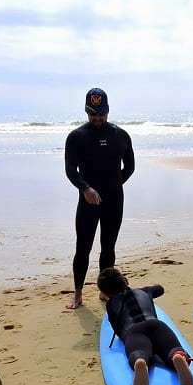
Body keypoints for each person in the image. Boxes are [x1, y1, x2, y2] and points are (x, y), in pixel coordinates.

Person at [65, 87, 135, 309]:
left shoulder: (120, 135)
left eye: (101, 113)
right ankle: (77, 294)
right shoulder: (77, 137)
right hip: (87, 202)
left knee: (108, 247)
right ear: (87, 111)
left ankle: (106, 291)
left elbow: (130, 167)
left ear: (108, 110)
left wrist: (114, 186)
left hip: (114, 201)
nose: (98, 118)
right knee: (83, 247)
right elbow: (70, 170)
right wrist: (86, 189)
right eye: (93, 113)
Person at [97, 267, 193, 385]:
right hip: (156, 325)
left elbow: (118, 332)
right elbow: (160, 289)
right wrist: (147, 290)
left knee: (138, 352)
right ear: (125, 281)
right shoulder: (144, 292)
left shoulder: (111, 304)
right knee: (172, 348)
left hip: (133, 331)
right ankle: (177, 356)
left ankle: (140, 361)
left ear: (105, 293)